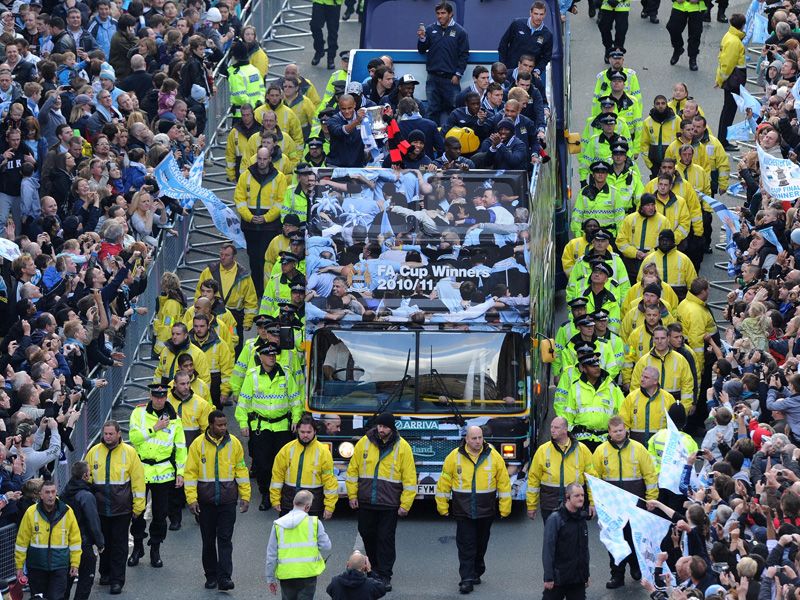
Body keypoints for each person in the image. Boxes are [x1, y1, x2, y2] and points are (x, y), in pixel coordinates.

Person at [436, 425, 511, 594]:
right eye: (474, 438)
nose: (478, 441)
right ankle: (466, 579)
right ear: (466, 439)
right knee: (466, 545)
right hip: (463, 509)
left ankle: (477, 569)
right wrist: (442, 506)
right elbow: (444, 482)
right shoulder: (454, 457)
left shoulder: (494, 457)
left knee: (480, 544)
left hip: (486, 509)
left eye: (480, 438)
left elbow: (504, 483)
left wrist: (505, 508)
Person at [346, 413, 417, 592]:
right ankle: (373, 569)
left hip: (389, 504)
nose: (381, 429)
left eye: (385, 427)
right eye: (379, 426)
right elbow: (353, 470)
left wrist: (405, 504)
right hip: (366, 500)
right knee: (367, 534)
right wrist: (352, 495)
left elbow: (409, 479)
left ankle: (384, 575)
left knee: (385, 539)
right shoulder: (364, 442)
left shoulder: (403, 448)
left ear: (392, 428)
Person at [185, 410, 250, 591]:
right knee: (208, 541)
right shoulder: (197, 445)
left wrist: (245, 496)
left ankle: (224, 578)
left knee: (225, 540)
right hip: (205, 502)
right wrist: (191, 499)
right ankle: (211, 575)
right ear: (211, 425)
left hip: (227, 501)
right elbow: (190, 473)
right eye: (219, 425)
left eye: (225, 424)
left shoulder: (234, 443)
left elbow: (241, 470)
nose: (223, 428)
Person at [235, 343, 303, 511]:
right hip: (262, 427)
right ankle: (266, 494)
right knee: (263, 465)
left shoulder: (286, 375)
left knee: (283, 464)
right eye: (268, 354)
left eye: (274, 354)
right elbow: (243, 402)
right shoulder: (253, 376)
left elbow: (295, 400)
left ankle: (280, 495)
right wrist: (243, 423)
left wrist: (296, 419)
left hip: (283, 428)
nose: (272, 357)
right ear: (261, 357)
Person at [592, 416, 657, 588]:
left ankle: (636, 567)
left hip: (635, 505)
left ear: (626, 430)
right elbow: (594, 479)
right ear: (609, 432)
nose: (619, 433)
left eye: (621, 430)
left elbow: (650, 475)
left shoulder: (639, 449)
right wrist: (596, 503)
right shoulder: (600, 451)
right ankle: (617, 576)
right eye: (615, 431)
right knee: (615, 541)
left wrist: (651, 498)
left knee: (634, 538)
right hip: (612, 508)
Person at [128, 382, 187, 569]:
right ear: (151, 396)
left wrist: (181, 472)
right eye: (156, 396)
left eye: (162, 397)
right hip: (141, 470)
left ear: (166, 397)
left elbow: (180, 447)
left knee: (160, 515)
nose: (159, 400)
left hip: (163, 472)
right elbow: (134, 438)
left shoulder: (175, 419)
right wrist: (155, 428)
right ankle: (138, 547)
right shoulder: (138, 413)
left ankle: (155, 548)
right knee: (137, 511)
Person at [84, 420, 145, 595]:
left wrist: (138, 507)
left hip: (122, 509)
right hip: (100, 509)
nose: (108, 437)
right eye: (106, 434)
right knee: (103, 543)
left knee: (119, 545)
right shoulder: (94, 452)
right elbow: (87, 480)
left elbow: (138, 481)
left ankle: (117, 580)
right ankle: (105, 573)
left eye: (111, 434)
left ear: (119, 434)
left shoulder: (130, 453)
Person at [234, 146, 288, 297]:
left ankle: (268, 290)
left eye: (265, 159)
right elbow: (239, 199)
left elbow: (281, 202)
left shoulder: (279, 177)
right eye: (259, 158)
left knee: (267, 260)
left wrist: (266, 218)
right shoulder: (246, 176)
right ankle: (257, 291)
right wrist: (249, 217)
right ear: (256, 158)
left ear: (270, 159)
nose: (262, 162)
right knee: (254, 259)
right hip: (250, 226)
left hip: (270, 226)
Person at [14, 480, 81, 600]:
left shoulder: (67, 511)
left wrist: (75, 563)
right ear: (41, 494)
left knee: (56, 597)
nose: (51, 495)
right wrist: (19, 566)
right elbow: (22, 541)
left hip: (59, 566)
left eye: (53, 492)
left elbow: (75, 540)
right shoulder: (31, 512)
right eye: (47, 492)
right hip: (36, 567)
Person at [527, 417, 596, 523]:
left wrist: (592, 503)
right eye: (551, 427)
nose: (552, 430)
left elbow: (592, 479)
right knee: (552, 537)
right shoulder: (542, 450)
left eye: (556, 427)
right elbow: (533, 479)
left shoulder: (582, 450)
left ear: (565, 430)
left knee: (573, 537)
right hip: (550, 505)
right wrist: (531, 505)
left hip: (574, 504)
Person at [265, 489, 331, 599]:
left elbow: (271, 555)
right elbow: (327, 546)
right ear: (307, 506)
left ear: (294, 503)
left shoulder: (278, 524)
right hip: (308, 573)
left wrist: (270, 578)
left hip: (286, 574)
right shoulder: (314, 523)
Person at [195, 243, 259, 357]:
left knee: (234, 345)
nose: (222, 257)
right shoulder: (209, 271)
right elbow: (199, 293)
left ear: (234, 257)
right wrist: (198, 309)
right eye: (221, 254)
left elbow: (251, 299)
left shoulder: (242, 275)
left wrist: (248, 321)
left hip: (234, 315)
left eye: (226, 255)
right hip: (211, 311)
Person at [270, 414, 338, 518]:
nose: (305, 435)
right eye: (302, 432)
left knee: (310, 534)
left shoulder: (323, 452)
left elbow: (329, 481)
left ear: (315, 431)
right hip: (289, 503)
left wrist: (329, 506)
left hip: (313, 505)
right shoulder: (286, 450)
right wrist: (275, 499)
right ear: (297, 431)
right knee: (288, 534)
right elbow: (277, 476)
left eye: (308, 432)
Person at [416, 1, 470, 126]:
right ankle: (432, 140)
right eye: (438, 13)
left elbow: (464, 55)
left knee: (455, 110)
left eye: (443, 13)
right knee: (432, 111)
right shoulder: (430, 29)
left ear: (451, 14)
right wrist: (422, 38)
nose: (440, 16)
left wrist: (458, 74)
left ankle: (455, 140)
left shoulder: (460, 32)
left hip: (451, 79)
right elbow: (422, 49)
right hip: (432, 77)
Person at [61, 461, 105, 600]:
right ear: (85, 475)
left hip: (65, 541)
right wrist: (100, 543)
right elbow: (93, 521)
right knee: (86, 577)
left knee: (66, 579)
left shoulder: (65, 491)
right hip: (83, 542)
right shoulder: (86, 496)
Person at [541, 483, 591, 600]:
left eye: (583, 495)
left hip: (577, 579)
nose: (581, 498)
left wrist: (586, 574)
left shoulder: (581, 519)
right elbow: (548, 550)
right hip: (558, 579)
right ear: (567, 497)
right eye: (577, 495)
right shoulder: (555, 519)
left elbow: (584, 549)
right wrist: (548, 577)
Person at [619, 366, 677, 444]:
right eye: (642, 376)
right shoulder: (631, 397)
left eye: (646, 377)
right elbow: (623, 422)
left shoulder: (668, 398)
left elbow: (673, 425)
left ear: (655, 381)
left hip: (660, 445)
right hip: (637, 445)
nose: (642, 379)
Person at [715, 14, 747, 151]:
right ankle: (723, 140)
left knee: (727, 110)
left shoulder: (729, 36)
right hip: (733, 80)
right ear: (742, 25)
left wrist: (720, 79)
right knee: (729, 110)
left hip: (730, 80)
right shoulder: (735, 41)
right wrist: (721, 80)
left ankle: (723, 138)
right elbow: (728, 65)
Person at [497, 2, 553, 80]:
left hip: (528, 77)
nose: (538, 17)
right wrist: (503, 65)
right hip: (510, 71)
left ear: (545, 15)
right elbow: (503, 44)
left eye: (541, 14)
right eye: (536, 13)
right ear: (530, 13)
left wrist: (537, 70)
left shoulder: (547, 35)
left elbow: (546, 57)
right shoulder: (517, 24)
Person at [666, 0, 706, 70]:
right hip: (679, 6)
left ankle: (692, 58)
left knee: (695, 34)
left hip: (697, 7)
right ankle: (678, 48)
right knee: (672, 28)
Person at [310, 0, 342, 70]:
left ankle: (331, 58)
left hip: (334, 3)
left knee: (333, 31)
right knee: (315, 26)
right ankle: (319, 50)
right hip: (319, 2)